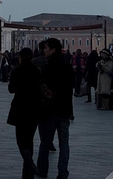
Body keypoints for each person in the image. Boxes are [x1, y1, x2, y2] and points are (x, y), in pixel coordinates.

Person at [39, 38, 74, 179]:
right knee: (64, 143)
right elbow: (70, 88)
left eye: (46, 48)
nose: (44, 50)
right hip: (65, 109)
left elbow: (42, 86)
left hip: (49, 110)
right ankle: (63, 172)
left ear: (53, 49)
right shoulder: (67, 66)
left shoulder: (47, 67)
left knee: (45, 143)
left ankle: (42, 170)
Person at [8, 48, 42, 179]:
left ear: (21, 57)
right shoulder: (37, 71)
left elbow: (11, 89)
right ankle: (27, 173)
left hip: (20, 107)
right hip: (34, 108)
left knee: (20, 140)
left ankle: (29, 162)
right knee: (29, 139)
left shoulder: (17, 71)